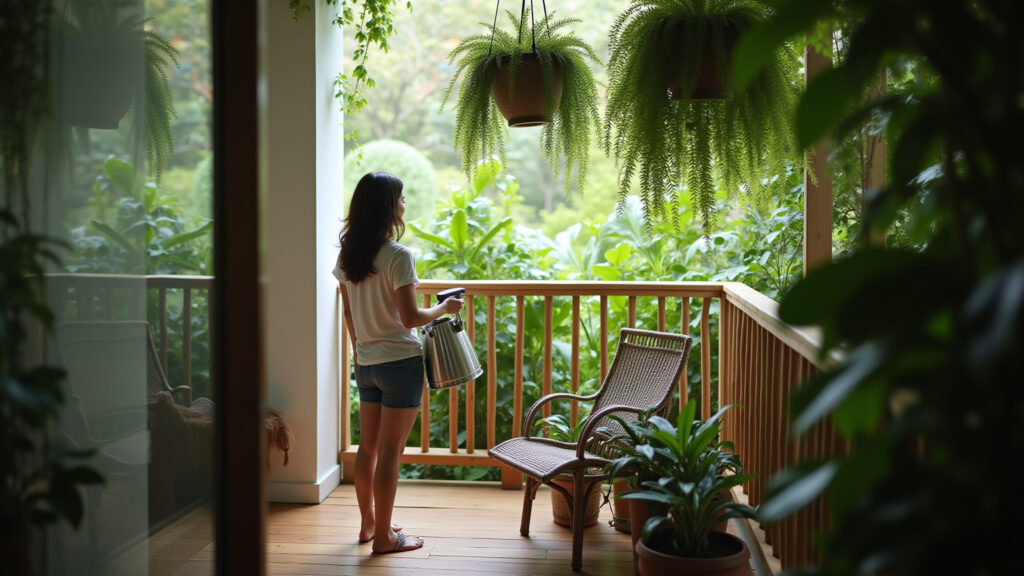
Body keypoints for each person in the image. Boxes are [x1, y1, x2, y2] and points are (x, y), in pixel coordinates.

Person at [334, 172, 463, 555]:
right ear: (389, 208)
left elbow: (347, 311)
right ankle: (386, 540)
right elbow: (410, 318)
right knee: (391, 452)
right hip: (401, 363)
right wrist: (445, 307)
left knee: (367, 449)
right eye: (401, 198)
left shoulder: (347, 255)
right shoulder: (398, 256)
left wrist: (360, 350)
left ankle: (369, 525)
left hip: (368, 362)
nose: (405, 204)